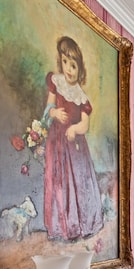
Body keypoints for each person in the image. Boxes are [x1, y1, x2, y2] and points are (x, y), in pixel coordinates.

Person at [43, 36, 103, 241]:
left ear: (80, 70)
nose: (69, 69)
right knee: (58, 181)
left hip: (74, 146)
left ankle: (80, 224)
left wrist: (75, 128)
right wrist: (53, 114)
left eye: (74, 65)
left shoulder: (81, 97)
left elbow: (85, 124)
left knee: (77, 182)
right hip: (56, 142)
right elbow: (49, 108)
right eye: (66, 62)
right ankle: (59, 226)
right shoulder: (56, 83)